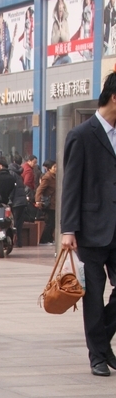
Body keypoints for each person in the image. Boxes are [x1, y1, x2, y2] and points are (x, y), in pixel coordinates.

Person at [61, 72, 116, 375]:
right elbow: (71, 185)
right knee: (93, 295)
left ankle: (101, 343)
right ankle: (98, 357)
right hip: (91, 229)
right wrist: (68, 229)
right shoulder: (81, 135)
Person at [9, 153, 29, 247]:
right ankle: (19, 242)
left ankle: (13, 241)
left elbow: (11, 188)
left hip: (15, 202)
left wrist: (9, 200)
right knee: (19, 223)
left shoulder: (11, 173)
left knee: (14, 222)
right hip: (22, 201)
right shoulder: (19, 174)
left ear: (13, 161)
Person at [36, 160, 56, 245]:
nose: (56, 168)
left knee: (53, 222)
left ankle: (50, 239)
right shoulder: (47, 177)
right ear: (49, 168)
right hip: (49, 204)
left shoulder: (55, 176)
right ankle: (44, 240)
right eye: (54, 167)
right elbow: (39, 189)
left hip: (54, 203)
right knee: (49, 223)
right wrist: (38, 201)